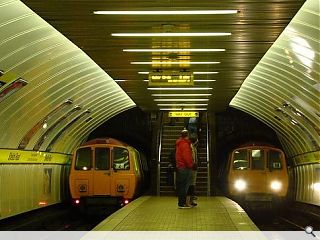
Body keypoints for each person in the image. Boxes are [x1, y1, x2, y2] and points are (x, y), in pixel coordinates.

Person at [175, 128, 194, 209]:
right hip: (184, 167)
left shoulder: (180, 143)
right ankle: (182, 203)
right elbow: (186, 156)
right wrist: (191, 165)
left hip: (180, 166)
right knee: (184, 186)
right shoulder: (185, 144)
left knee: (182, 185)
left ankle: (181, 203)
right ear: (187, 135)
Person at [187, 137, 199, 206]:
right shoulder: (190, 148)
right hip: (191, 168)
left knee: (192, 185)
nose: (197, 143)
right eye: (197, 141)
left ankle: (191, 200)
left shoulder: (194, 148)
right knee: (191, 184)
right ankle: (188, 201)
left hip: (194, 167)